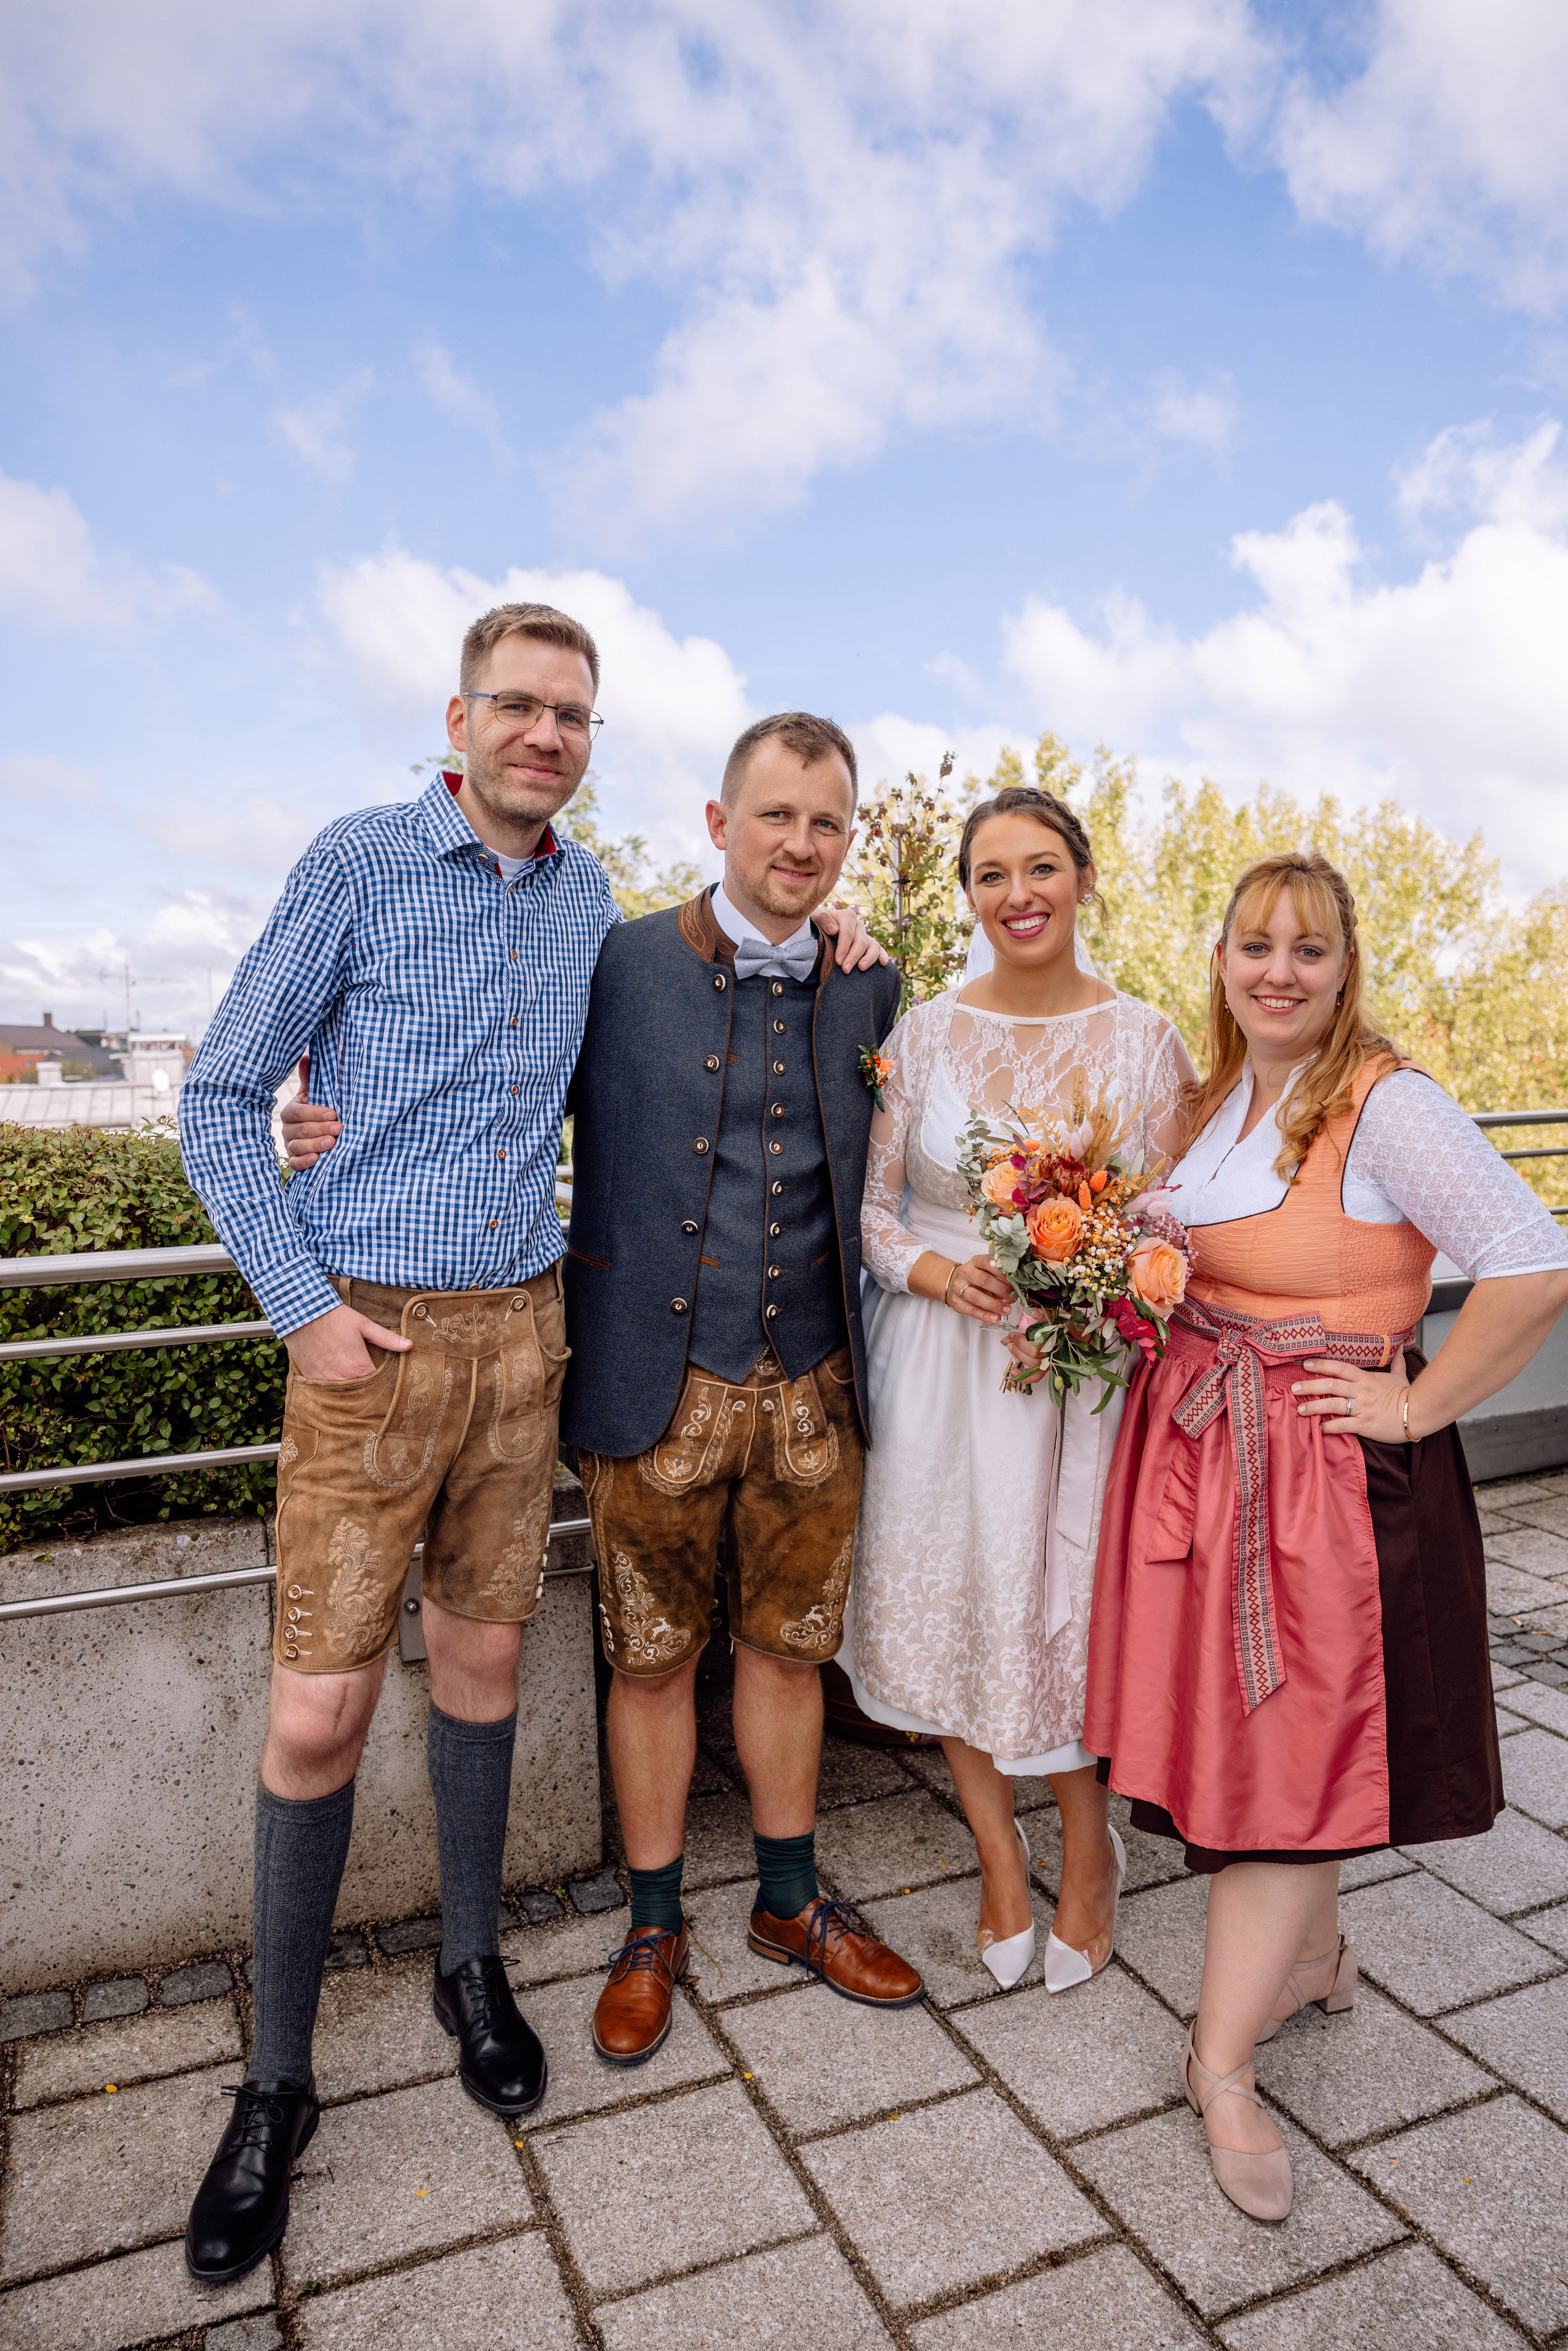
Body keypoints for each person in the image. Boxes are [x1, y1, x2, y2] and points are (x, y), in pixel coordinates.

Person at [178, 602, 881, 2284]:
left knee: (484, 1669)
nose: (547, 733)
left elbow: (688, 1013)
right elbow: (219, 1094)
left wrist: (833, 920)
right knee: (320, 1703)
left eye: (573, 712)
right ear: (460, 715)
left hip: (530, 1335)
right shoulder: (357, 860)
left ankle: (472, 1968)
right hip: (366, 1331)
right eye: (520, 705)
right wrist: (302, 1301)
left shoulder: (590, 907)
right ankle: (276, 2079)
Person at [1084, 849, 1568, 2224]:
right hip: (1211, 1456)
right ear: (1222, 958)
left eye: (1306, 949)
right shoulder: (1216, 1093)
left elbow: (1532, 1263)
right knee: (1270, 1740)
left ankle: (1217, 2060)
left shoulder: (1384, 1103)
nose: (1277, 972)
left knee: (1287, 1759)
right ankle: (1315, 1959)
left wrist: (1413, 1406)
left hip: (1318, 1479)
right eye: (1253, 946)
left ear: (1346, 963)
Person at [564, 712, 924, 2065]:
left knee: (790, 1649)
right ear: (718, 823)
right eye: (777, 815)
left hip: (814, 1387)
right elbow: (491, 1093)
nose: (801, 843)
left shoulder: (873, 986)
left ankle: (788, 1898)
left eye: (827, 822)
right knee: (647, 1661)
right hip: (652, 1380)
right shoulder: (614, 963)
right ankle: (651, 1922)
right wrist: (329, 1118)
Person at [848, 785, 1194, 1990]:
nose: (1017, 895)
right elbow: (874, 1214)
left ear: (1084, 879)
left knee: (1063, 1606)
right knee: (953, 1596)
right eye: (990, 874)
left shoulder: (1144, 1038)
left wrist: (1100, 1276)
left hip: (1076, 1383)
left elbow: (1171, 1216)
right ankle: (998, 1852)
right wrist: (940, 1270)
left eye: (1039, 867)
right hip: (940, 1366)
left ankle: (1088, 1848)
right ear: (968, 895)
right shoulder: (926, 1032)